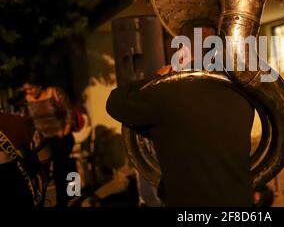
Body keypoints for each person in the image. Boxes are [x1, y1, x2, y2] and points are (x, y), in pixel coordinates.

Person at [106, 23, 255, 207]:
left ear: (184, 50)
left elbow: (114, 103)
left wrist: (155, 78)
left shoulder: (165, 93)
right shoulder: (241, 95)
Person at [23, 78, 76, 207]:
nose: (29, 92)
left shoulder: (55, 92)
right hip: (42, 139)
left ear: (40, 85)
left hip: (60, 137)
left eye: (31, 88)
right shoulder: (27, 98)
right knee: (42, 172)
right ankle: (41, 201)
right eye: (26, 89)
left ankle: (65, 199)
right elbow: (29, 119)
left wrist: (66, 130)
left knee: (61, 170)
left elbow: (69, 111)